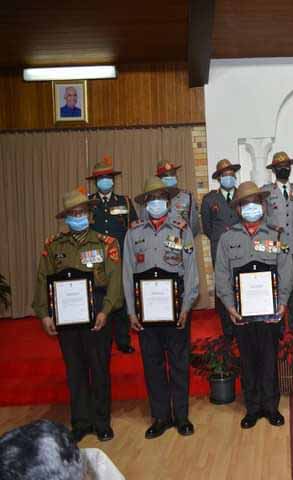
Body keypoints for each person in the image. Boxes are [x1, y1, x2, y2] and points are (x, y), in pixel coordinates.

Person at [32, 187, 123, 443]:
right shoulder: (53, 246)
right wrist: (44, 314)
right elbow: (42, 279)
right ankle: (81, 422)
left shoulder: (106, 243)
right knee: (75, 370)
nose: (78, 216)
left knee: (99, 368)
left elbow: (115, 279)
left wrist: (106, 310)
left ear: (90, 214)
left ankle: (102, 422)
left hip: (97, 310)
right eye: (73, 213)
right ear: (66, 217)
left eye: (82, 212)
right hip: (66, 314)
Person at [214, 181, 293, 429]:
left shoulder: (276, 235)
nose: (251, 208)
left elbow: (286, 271)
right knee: (248, 361)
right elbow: (221, 275)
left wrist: (282, 303)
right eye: (245, 204)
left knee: (269, 360)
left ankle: (270, 407)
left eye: (255, 203)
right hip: (241, 314)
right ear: (238, 209)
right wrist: (229, 306)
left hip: (271, 312)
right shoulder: (227, 238)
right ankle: (252, 408)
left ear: (263, 205)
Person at [123, 177, 199, 439]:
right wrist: (131, 311)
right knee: (153, 364)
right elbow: (127, 273)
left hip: (177, 309)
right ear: (145, 203)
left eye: (161, 198)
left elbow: (191, 270)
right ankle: (160, 417)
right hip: (146, 312)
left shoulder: (181, 230)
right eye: (151, 199)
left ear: (168, 201)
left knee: (179, 363)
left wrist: (187, 306)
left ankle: (181, 416)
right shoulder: (133, 233)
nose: (156, 203)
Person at [86, 155, 138, 354]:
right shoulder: (88, 203)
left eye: (108, 177)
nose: (105, 181)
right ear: (96, 181)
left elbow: (134, 229)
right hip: (97, 261)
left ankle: (123, 340)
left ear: (113, 180)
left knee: (121, 299)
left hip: (121, 259)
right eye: (101, 178)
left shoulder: (124, 201)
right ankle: (101, 338)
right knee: (100, 298)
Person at [262, 151, 293, 333]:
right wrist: (274, 228)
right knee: (277, 285)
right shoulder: (266, 191)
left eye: (286, 166)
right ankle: (278, 326)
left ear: (290, 168)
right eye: (280, 167)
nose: (284, 169)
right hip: (275, 246)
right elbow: (263, 217)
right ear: (274, 170)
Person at [201, 158, 242, 338]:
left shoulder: (243, 195)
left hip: (241, 248)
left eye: (231, 174)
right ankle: (227, 329)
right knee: (224, 286)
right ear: (218, 178)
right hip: (220, 249)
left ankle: (242, 323)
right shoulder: (210, 199)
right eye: (225, 175)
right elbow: (207, 228)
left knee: (240, 284)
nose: (229, 177)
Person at [139, 161, 201, 236]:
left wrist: (186, 237)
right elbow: (144, 223)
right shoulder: (150, 198)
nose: (170, 177)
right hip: (156, 239)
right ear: (159, 179)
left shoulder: (187, 197)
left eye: (172, 174)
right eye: (165, 176)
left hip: (180, 239)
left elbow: (194, 225)